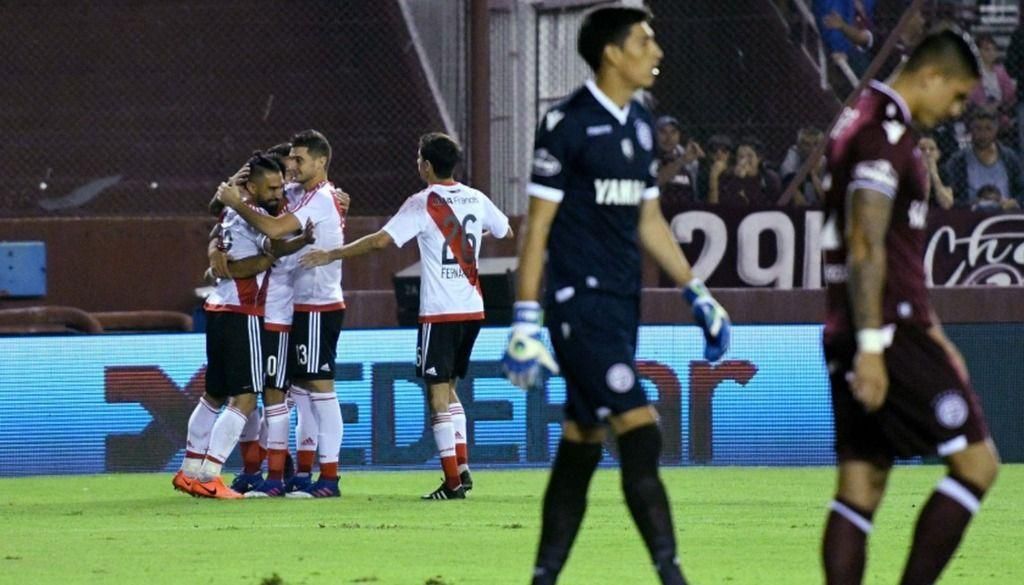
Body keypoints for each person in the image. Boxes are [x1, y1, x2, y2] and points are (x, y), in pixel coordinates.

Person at [499, 7, 730, 584]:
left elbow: (648, 218)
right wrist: (526, 319)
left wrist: (696, 291)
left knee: (581, 439)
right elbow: (538, 229)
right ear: (612, 53)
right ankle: (671, 574)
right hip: (580, 306)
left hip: (624, 305)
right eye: (645, 41)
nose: (656, 51)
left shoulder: (641, 123)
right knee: (642, 428)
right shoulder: (567, 124)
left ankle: (544, 575)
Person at [820, 29, 999, 584]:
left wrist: (934, 331)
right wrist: (875, 347)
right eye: (957, 97)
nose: (955, 112)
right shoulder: (883, 133)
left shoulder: (857, 119)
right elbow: (866, 241)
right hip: (885, 330)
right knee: (977, 464)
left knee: (862, 485)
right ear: (932, 77)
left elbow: (889, 247)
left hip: (857, 323)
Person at [301, 132, 513, 500]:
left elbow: (381, 240)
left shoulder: (423, 202)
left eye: (419, 158)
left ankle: (451, 484)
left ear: (427, 165)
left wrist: (331, 254)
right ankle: (461, 468)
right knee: (450, 391)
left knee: (435, 396)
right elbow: (505, 228)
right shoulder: (476, 198)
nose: (417, 164)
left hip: (441, 313)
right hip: (473, 308)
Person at [218, 129, 348, 498]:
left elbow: (273, 227)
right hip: (294, 306)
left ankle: (325, 476)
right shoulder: (296, 194)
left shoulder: (321, 199)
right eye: (289, 159)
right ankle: (286, 475)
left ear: (320, 162)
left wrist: (237, 202)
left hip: (316, 304)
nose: (292, 166)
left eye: (298, 160)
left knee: (315, 390)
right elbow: (232, 209)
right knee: (291, 391)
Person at [173, 153, 300, 499]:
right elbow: (243, 267)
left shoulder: (232, 211)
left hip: (218, 309)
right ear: (252, 186)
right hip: (242, 313)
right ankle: (210, 475)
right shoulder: (251, 215)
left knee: (214, 395)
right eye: (271, 188)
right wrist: (270, 256)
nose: (278, 193)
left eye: (280, 187)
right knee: (246, 397)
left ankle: (189, 470)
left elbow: (223, 237)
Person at [941, 108, 1024, 208]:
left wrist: (1014, 202)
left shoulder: (1010, 158)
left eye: (988, 129)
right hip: (970, 218)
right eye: (978, 128)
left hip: (1005, 216)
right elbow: (949, 198)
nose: (983, 134)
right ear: (971, 129)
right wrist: (971, 204)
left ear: (996, 129)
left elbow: (1021, 191)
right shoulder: (958, 161)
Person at [709, 136, 782, 206]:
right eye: (740, 156)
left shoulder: (769, 178)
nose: (744, 161)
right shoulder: (728, 177)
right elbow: (717, 206)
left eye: (750, 156)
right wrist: (738, 180)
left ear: (759, 158)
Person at [654, 115, 702, 211]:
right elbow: (653, 182)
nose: (669, 138)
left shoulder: (689, 159)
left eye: (673, 132)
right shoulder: (646, 156)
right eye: (663, 132)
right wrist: (682, 161)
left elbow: (695, 193)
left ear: (679, 135)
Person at [967, 34, 1017, 124]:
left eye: (994, 49)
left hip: (999, 112)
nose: (991, 53)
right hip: (977, 113)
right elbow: (972, 96)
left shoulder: (1001, 72)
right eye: (986, 49)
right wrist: (984, 107)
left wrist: (998, 105)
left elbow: (1010, 95)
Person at [779, 126, 827, 207]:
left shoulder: (826, 162)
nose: (812, 149)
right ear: (799, 146)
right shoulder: (793, 156)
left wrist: (813, 174)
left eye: (816, 144)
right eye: (807, 144)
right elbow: (793, 194)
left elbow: (826, 199)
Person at [917, 135, 955, 209]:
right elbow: (922, 202)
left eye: (932, 149)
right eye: (922, 149)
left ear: (938, 154)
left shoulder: (943, 171)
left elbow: (947, 204)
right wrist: (926, 173)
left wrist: (934, 174)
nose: (927, 153)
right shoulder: (909, 170)